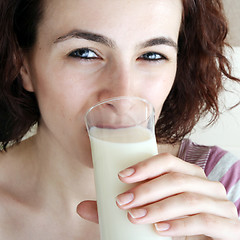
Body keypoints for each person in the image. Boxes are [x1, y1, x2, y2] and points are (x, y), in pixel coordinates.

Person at [0, 0, 240, 239]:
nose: (123, 99)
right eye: (84, 53)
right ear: (23, 66)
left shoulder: (225, 188)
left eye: (153, 55)